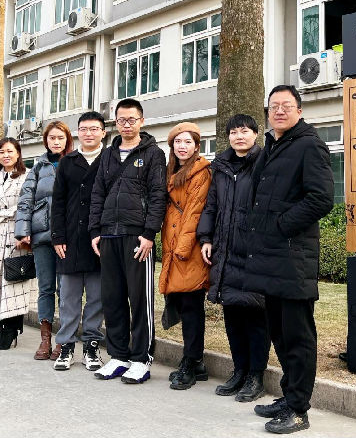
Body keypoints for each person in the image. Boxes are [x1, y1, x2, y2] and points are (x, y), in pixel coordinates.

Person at [245, 86, 335, 434]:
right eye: (274, 106)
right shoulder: (274, 144)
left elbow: (321, 198)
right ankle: (289, 396)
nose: (279, 111)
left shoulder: (309, 145)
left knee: (298, 338)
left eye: (286, 106)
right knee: (280, 335)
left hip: (293, 257)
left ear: (300, 110)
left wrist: (282, 225)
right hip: (271, 256)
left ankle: (299, 409)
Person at [89, 98, 167, 384]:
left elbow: (158, 195)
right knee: (113, 298)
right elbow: (98, 193)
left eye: (131, 120)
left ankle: (141, 359)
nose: (126, 125)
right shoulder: (108, 154)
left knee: (140, 299)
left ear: (141, 121)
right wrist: (95, 231)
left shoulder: (154, 154)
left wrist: (149, 234)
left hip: (137, 236)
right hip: (109, 234)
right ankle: (119, 356)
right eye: (121, 120)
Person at [197, 114, 269, 402]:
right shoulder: (221, 167)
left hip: (253, 252)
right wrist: (206, 238)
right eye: (234, 132)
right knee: (233, 316)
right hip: (225, 251)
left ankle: (256, 376)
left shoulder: (265, 162)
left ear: (255, 134)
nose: (239, 136)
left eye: (245, 131)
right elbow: (211, 205)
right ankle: (239, 371)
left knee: (255, 316)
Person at [50, 111, 107, 371]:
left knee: (96, 297)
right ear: (78, 133)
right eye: (84, 129)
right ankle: (66, 346)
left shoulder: (110, 159)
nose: (89, 133)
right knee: (68, 298)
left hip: (99, 238)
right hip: (70, 238)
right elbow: (58, 202)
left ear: (103, 132)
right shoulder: (68, 161)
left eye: (94, 129)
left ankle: (91, 346)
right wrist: (57, 236)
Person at [159, 122, 212, 390]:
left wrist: (181, 249)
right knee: (182, 304)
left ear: (196, 146)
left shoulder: (201, 172)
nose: (182, 146)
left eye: (188, 142)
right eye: (178, 142)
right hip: (174, 245)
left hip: (189, 249)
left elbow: (194, 211)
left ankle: (191, 363)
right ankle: (196, 361)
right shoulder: (171, 170)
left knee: (192, 307)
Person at [16, 120, 72, 361]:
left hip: (67, 237)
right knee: (46, 288)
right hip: (41, 236)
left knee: (66, 289)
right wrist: (23, 231)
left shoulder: (75, 162)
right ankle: (45, 339)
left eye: (60, 138)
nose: (56, 142)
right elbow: (25, 199)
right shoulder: (38, 167)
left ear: (67, 140)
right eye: (52, 138)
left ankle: (63, 340)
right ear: (46, 140)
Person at [0, 137, 31, 350]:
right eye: (2, 152)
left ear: (18, 153)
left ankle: (11, 330)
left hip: (16, 233)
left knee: (14, 283)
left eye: (10, 151)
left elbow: (29, 206)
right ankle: (0, 326)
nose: (6, 155)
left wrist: (24, 233)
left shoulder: (26, 175)